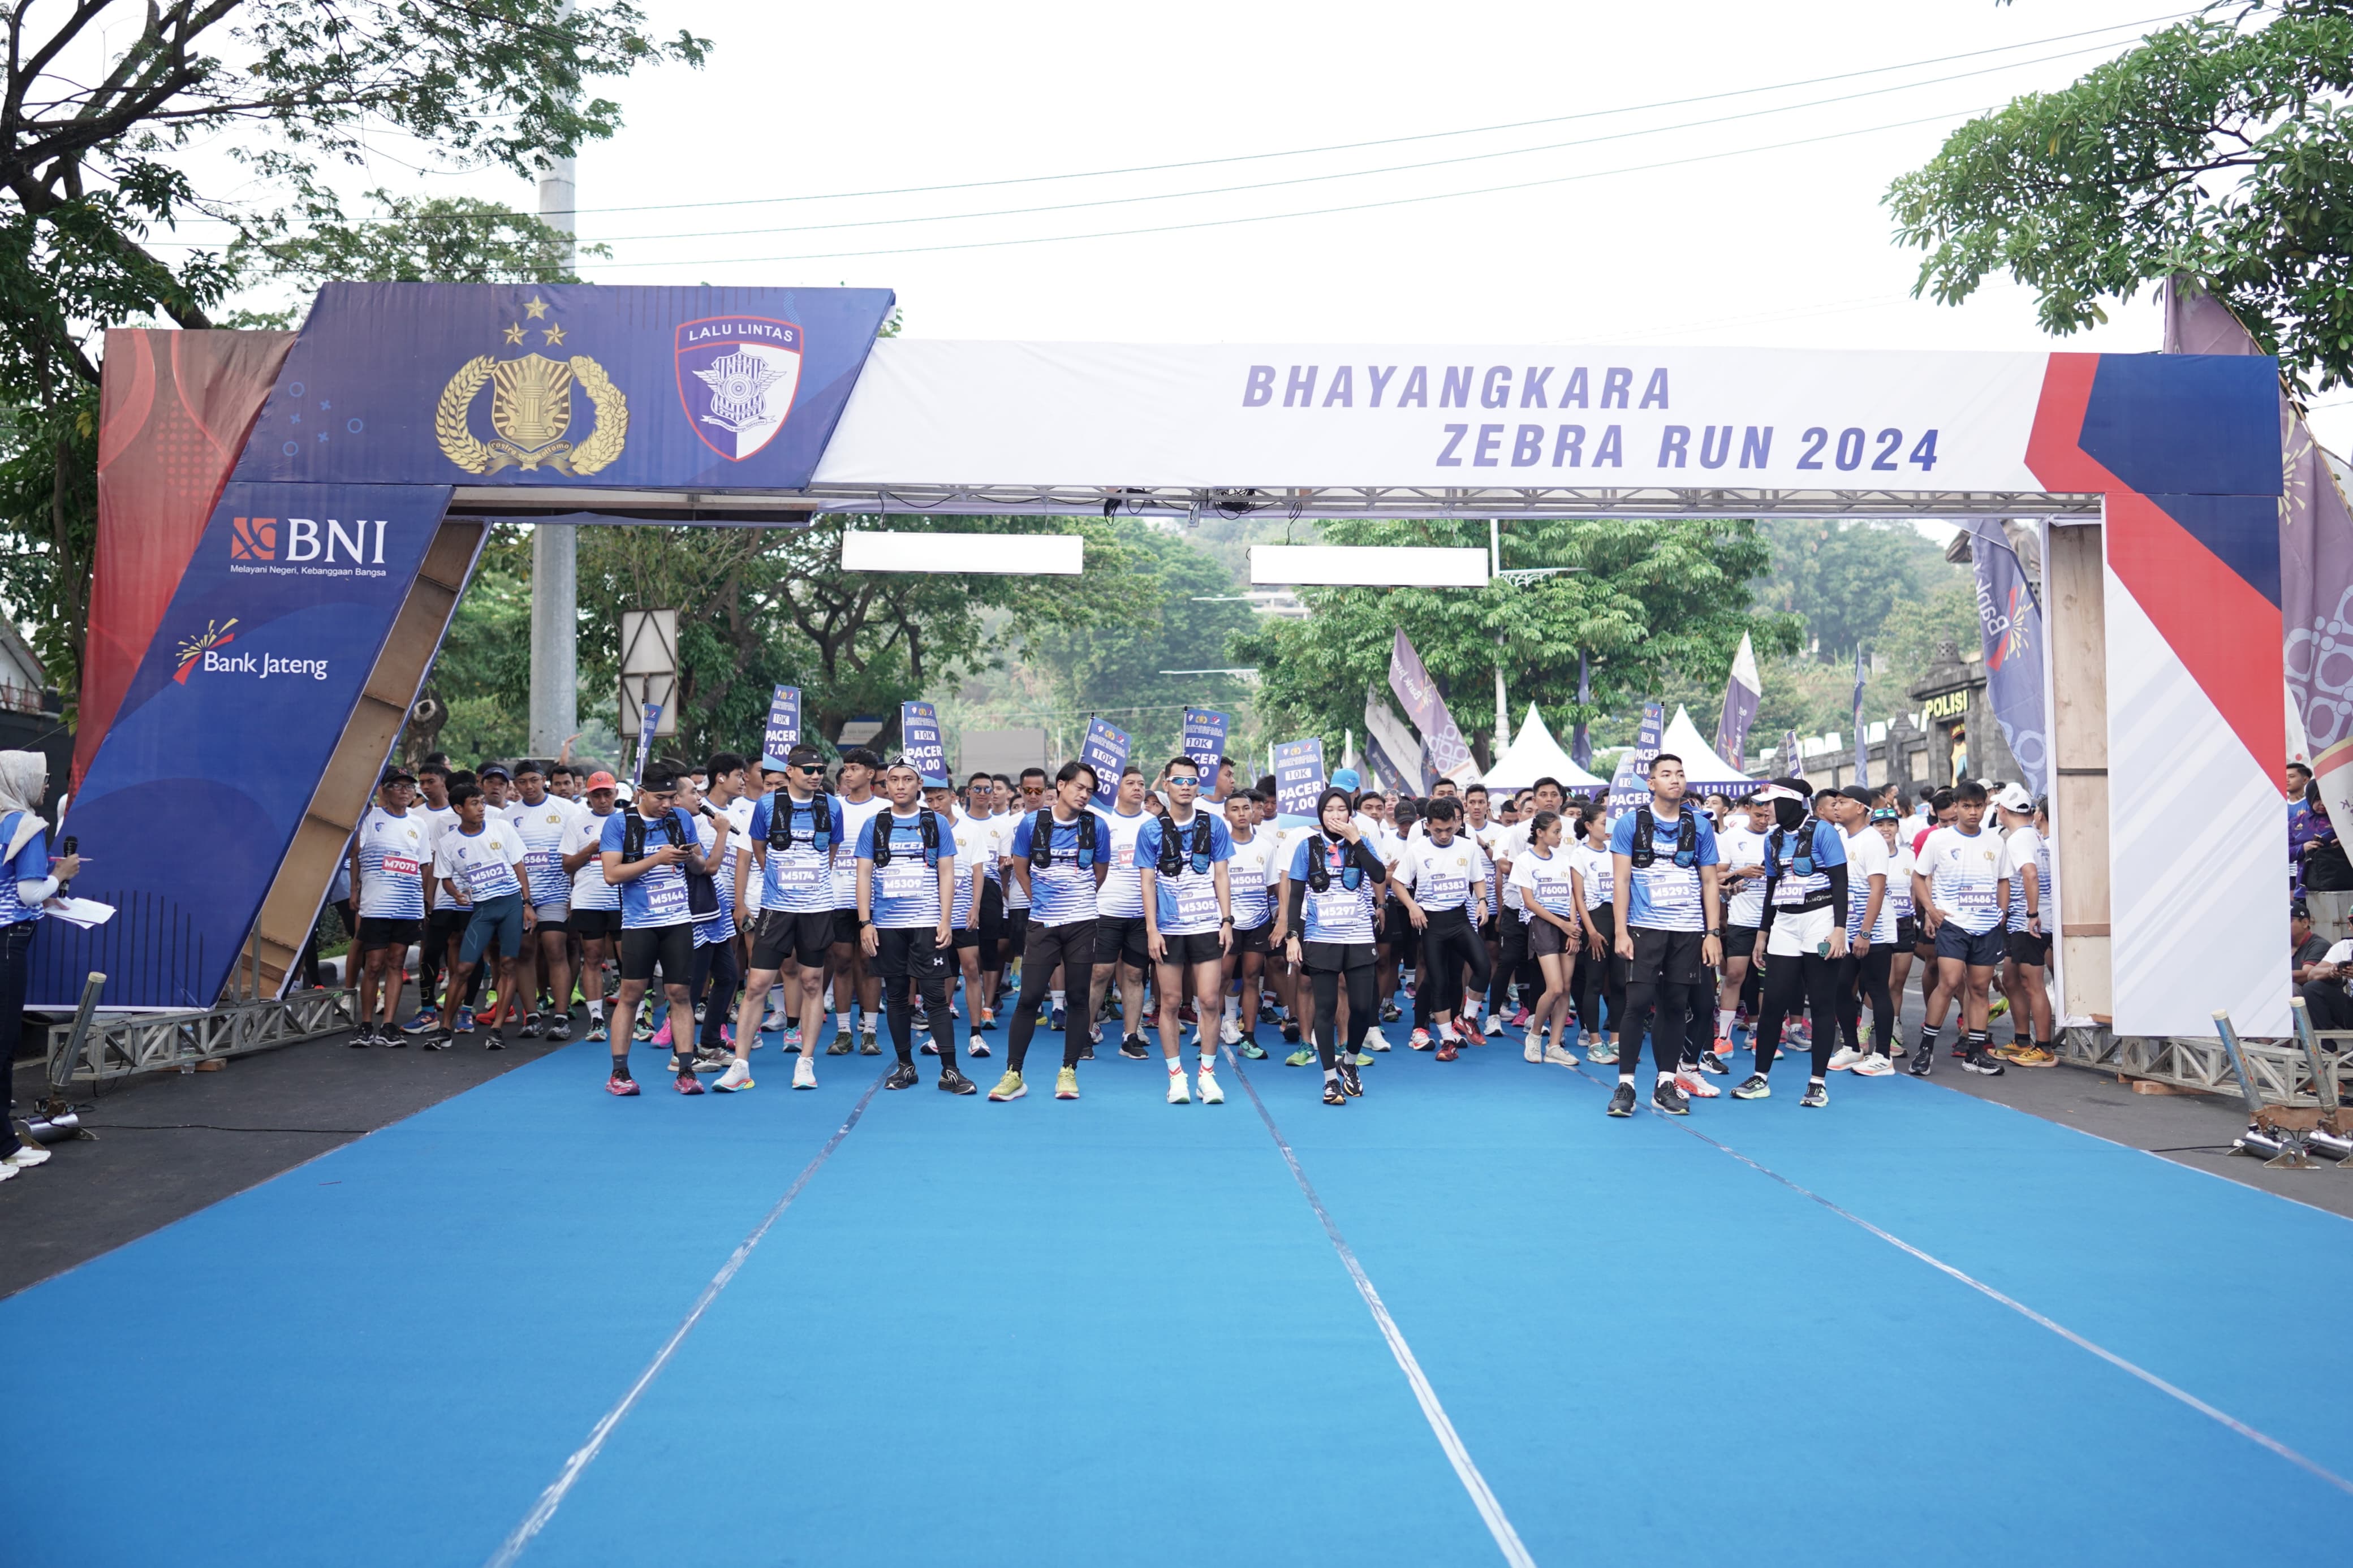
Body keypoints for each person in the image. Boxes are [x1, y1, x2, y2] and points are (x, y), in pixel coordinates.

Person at [1607, 754, 1724, 1117]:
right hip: (1644, 928)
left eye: (1680, 774)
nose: (1675, 779)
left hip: (1688, 931)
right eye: (1666, 774)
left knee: (1676, 1006)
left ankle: (1665, 1083)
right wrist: (1621, 931)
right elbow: (1622, 881)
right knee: (1637, 1004)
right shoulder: (1631, 824)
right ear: (1652, 783)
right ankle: (1625, 1085)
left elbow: (1709, 881)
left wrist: (1712, 932)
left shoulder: (1701, 826)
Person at [726, 746, 842, 1092]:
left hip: (817, 909)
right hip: (776, 909)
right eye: (808, 769)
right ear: (790, 771)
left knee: (811, 983)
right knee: (757, 984)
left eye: (820, 769)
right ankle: (740, 1066)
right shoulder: (766, 806)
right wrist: (782, 881)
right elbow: (759, 849)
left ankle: (805, 1063)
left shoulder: (831, 806)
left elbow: (831, 853)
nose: (816, 775)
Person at [600, 770, 721, 1096]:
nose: (668, 804)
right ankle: (619, 1073)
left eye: (672, 797)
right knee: (631, 994)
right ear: (641, 793)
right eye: (660, 798)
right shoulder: (619, 823)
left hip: (679, 921)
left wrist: (690, 857)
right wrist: (657, 859)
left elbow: (700, 867)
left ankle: (686, 1071)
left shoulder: (681, 818)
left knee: (681, 994)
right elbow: (612, 874)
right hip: (639, 924)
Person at [1727, 781, 1848, 1107]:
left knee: (1822, 1002)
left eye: (1771, 803)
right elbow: (1771, 888)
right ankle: (1760, 1077)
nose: (1766, 810)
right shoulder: (1774, 839)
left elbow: (1840, 882)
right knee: (1774, 1002)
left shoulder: (1824, 832)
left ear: (1792, 803)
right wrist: (1763, 934)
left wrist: (1839, 929)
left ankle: (1817, 1083)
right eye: (1763, 804)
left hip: (1820, 918)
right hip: (1785, 922)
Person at [856, 761, 974, 1094]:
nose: (900, 786)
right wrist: (866, 923)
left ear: (919, 784)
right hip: (887, 925)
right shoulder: (874, 825)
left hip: (926, 923)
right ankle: (905, 1066)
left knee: (935, 996)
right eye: (893, 780)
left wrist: (945, 919)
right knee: (896, 998)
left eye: (908, 780)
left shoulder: (935, 823)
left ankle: (950, 1070)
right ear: (885, 785)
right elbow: (863, 874)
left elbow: (947, 872)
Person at [996, 761, 1107, 1100]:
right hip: (1042, 923)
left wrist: (1076, 903)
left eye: (1089, 791)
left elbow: (1099, 874)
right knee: (1028, 997)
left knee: (1077, 997)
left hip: (1082, 923)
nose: (1084, 795)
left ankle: (1069, 1071)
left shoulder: (1096, 826)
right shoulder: (1032, 824)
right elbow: (1020, 868)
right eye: (1079, 787)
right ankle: (1014, 1073)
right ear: (1060, 786)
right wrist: (1043, 902)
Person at [1136, 755, 1234, 1105]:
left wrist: (1227, 920)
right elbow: (1148, 882)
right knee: (1172, 1002)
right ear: (1166, 785)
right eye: (1179, 781)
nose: (1186, 786)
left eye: (1192, 781)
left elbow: (1222, 874)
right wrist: (1151, 929)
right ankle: (1176, 1077)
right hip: (1168, 928)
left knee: (1209, 1000)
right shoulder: (1150, 830)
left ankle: (1207, 1075)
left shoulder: (1215, 824)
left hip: (1207, 925)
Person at [1283, 787, 1389, 1105]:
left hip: (1358, 937)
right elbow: (1296, 894)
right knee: (1326, 1008)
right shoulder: (1307, 847)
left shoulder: (1361, 842)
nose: (1336, 815)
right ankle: (1330, 1080)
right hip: (1321, 937)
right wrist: (1292, 935)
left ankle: (1350, 1062)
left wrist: (1356, 840)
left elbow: (1380, 874)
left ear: (1350, 813)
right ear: (1321, 814)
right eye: (1329, 809)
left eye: (1342, 809)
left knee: (1360, 1008)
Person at [0, 751, 71, 1178]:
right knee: (3, 1045)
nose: (46, 786)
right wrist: (60, 873)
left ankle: (6, 1143)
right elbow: (28, 893)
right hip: (10, 941)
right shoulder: (27, 826)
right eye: (42, 779)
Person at [1911, 779, 2009, 1077]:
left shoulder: (1995, 841)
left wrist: (2001, 912)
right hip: (1953, 924)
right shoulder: (1939, 840)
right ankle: (1926, 1050)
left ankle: (1975, 1053)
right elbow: (1918, 877)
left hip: (1986, 926)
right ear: (1957, 806)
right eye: (1966, 806)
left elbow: (2003, 879)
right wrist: (1930, 910)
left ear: (1985, 806)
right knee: (1950, 982)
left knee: (1979, 988)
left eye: (1978, 806)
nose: (1973, 812)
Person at [432, 782, 534, 1049]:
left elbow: (519, 866)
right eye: (475, 804)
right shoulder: (448, 843)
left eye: (482, 802)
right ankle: (445, 1029)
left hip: (511, 904)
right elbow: (445, 879)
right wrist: (454, 893)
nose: (481, 808)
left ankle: (497, 1029)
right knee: (463, 968)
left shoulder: (501, 827)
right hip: (483, 910)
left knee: (509, 964)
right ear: (458, 808)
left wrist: (526, 903)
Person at [1391, 796, 1491, 1060]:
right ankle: (1447, 1041)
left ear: (1457, 824)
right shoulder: (1418, 850)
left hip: (1459, 919)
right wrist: (1413, 907)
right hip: (1431, 922)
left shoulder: (1468, 847)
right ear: (1427, 826)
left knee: (1482, 965)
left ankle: (1468, 1018)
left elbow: (1478, 879)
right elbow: (1398, 883)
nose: (1445, 835)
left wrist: (1482, 902)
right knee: (1438, 981)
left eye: (1450, 829)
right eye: (1438, 830)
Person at [347, 767, 429, 1047]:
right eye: (398, 786)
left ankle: (389, 1025)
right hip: (376, 904)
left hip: (407, 905)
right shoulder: (371, 818)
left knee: (396, 962)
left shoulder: (418, 824)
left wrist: (426, 899)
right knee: (373, 965)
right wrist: (354, 889)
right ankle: (366, 1024)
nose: (406, 792)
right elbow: (355, 854)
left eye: (410, 787)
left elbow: (424, 864)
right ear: (384, 790)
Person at [505, 759, 581, 1042]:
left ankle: (561, 1017)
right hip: (521, 897)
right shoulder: (507, 817)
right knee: (524, 952)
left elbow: (576, 852)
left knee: (554, 948)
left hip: (557, 893)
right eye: (522, 782)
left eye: (534, 780)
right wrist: (521, 900)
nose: (528, 787)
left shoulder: (567, 810)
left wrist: (575, 893)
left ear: (543, 780)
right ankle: (532, 1015)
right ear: (515, 784)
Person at [1826, 785, 1897, 1078]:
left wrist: (1866, 933)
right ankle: (1853, 1048)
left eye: (1842, 802)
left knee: (1876, 988)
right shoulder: (1842, 838)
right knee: (1841, 986)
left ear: (1860, 808)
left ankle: (1883, 1055)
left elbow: (1877, 889)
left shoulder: (1873, 841)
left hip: (1874, 930)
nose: (1836, 807)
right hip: (1847, 928)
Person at [826, 747, 890, 1056]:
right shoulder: (833, 806)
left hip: (876, 901)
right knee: (840, 962)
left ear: (870, 774)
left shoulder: (886, 809)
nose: (848, 773)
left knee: (869, 963)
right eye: (845, 768)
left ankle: (870, 1032)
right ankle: (843, 1032)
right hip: (837, 897)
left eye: (853, 768)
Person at [1503, 809, 1580, 1066]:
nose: (1561, 836)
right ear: (1540, 833)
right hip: (1544, 925)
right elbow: (1530, 903)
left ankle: (1555, 1045)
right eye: (1556, 832)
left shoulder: (1564, 859)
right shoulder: (1525, 860)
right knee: (1555, 987)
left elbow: (1572, 895)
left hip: (1567, 925)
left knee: (1566, 988)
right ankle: (1535, 1035)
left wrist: (1572, 926)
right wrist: (1561, 924)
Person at [1089, 765, 1156, 1060]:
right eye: (1130, 783)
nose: (1138, 788)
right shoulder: (1102, 820)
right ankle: (1086, 1032)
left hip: (1142, 913)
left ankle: (1130, 1036)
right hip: (1106, 908)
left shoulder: (1154, 823)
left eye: (1141, 783)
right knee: (1099, 972)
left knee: (1135, 974)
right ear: (1117, 789)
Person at [1990, 782, 2055, 1066]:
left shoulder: (2019, 840)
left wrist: (2031, 916)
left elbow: (2029, 874)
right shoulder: (2034, 837)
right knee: (2012, 979)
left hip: (2029, 922)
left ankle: (2044, 1048)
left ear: (2003, 810)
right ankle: (2022, 1040)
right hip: (2022, 922)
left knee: (2033, 984)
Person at [562, 773, 623, 1043]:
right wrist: (589, 850)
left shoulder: (627, 819)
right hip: (589, 899)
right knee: (593, 957)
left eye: (607, 794)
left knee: (630, 958)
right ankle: (597, 1019)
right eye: (596, 794)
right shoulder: (577, 822)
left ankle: (639, 1016)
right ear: (587, 796)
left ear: (615, 794)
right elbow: (567, 866)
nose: (602, 800)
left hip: (623, 897)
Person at [1713, 793, 1771, 1056]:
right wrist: (1740, 873)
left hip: (1774, 920)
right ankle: (1724, 1037)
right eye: (1758, 815)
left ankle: (1759, 1033)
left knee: (1768, 981)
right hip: (1742, 919)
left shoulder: (1780, 837)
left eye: (1767, 814)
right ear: (1747, 810)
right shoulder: (1731, 838)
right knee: (1735, 975)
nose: (1763, 820)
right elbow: (1715, 875)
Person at [1221, 790, 1278, 1053]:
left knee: (1252, 977)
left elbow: (1275, 886)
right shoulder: (1220, 846)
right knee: (1221, 977)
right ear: (1227, 815)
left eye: (1246, 808)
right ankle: (1213, 1030)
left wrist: (1283, 918)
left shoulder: (1265, 846)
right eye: (1235, 810)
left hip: (1258, 921)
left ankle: (1250, 1037)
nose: (1242, 814)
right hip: (1228, 923)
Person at [1569, 806, 1624, 1065]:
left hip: (1620, 919)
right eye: (1604, 823)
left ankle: (1616, 1041)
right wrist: (1589, 931)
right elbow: (1578, 896)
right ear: (1589, 826)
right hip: (1596, 919)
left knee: (1620, 983)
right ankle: (1594, 1042)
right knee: (1593, 983)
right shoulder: (1579, 854)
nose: (1608, 827)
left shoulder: (1618, 850)